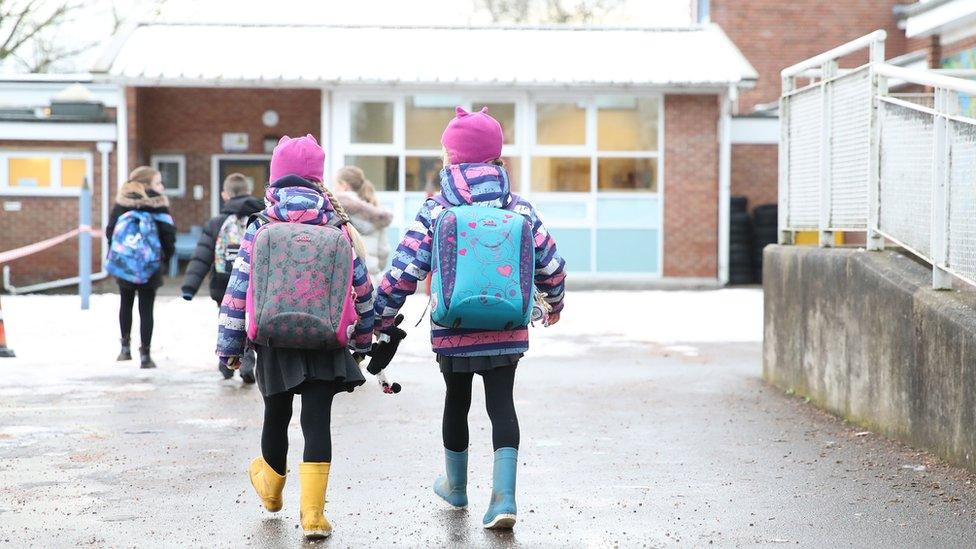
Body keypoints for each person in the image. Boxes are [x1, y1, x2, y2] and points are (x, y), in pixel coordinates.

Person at [373, 107, 567, 530]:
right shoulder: (519, 208)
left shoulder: (436, 209)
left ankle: (457, 487)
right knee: (502, 406)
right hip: (507, 329)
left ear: (451, 158)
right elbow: (551, 264)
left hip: (453, 328)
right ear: (497, 159)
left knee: (456, 401)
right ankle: (504, 499)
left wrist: (380, 317)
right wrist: (555, 302)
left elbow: (404, 269)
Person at [216, 135, 374, 540]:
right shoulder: (338, 226)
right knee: (316, 422)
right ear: (317, 181)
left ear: (275, 179)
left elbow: (238, 291)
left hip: (273, 340)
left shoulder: (261, 225)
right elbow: (362, 289)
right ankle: (314, 516)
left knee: (277, 415)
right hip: (326, 339)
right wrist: (365, 339)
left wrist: (230, 347)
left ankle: (271, 492)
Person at [181, 173, 263, 383]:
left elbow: (202, 255)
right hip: (253, 284)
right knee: (249, 323)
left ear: (225, 195)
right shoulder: (260, 220)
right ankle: (247, 362)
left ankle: (225, 363)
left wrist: (190, 287)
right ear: (248, 191)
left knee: (226, 321)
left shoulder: (217, 222)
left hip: (223, 284)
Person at [106, 166, 176, 369]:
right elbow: (168, 235)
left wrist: (119, 256)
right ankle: (145, 354)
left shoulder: (122, 202)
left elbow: (111, 231)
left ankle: (125, 348)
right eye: (157, 182)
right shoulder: (158, 204)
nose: (160, 186)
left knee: (125, 303)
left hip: (125, 264)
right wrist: (164, 259)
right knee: (147, 308)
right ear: (146, 184)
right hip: (150, 265)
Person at [333, 166, 393, 283]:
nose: (334, 188)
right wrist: (373, 267)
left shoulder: (335, 208)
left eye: (335, 184)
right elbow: (383, 252)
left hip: (345, 280)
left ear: (343, 185)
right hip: (370, 280)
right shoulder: (376, 214)